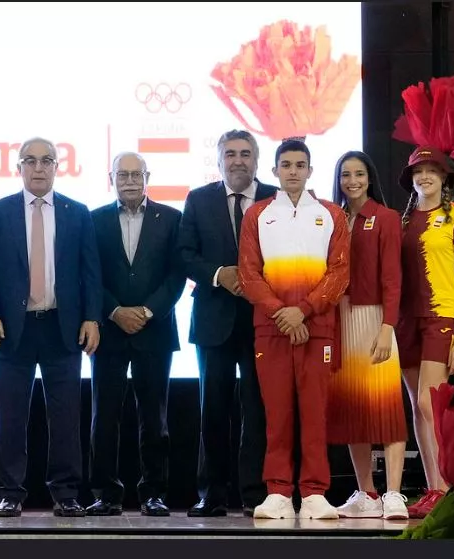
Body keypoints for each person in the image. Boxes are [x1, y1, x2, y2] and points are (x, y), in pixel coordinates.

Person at [0, 137, 101, 518]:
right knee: (10, 416)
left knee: (65, 417)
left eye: (47, 161)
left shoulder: (77, 213)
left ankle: (65, 493)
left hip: (62, 328)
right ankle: (11, 491)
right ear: (19, 167)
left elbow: (90, 272)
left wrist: (92, 318)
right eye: (31, 161)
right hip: (12, 329)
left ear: (58, 166)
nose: (39, 167)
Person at [237, 139, 350, 520]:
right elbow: (249, 275)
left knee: (315, 412)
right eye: (286, 165)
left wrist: (302, 311)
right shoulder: (257, 214)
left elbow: (339, 273)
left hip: (316, 327)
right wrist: (282, 313)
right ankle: (279, 491)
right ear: (274, 172)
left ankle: (315, 491)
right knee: (277, 413)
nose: (293, 171)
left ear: (310, 170)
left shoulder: (332, 214)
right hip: (271, 330)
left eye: (300, 165)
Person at [178, 130, 276, 516]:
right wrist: (220, 273)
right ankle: (212, 494)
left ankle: (255, 495)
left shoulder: (276, 198)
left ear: (256, 159)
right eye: (230, 154)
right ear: (218, 160)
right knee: (213, 409)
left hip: (262, 321)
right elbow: (185, 254)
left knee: (258, 410)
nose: (238, 160)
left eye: (245, 153)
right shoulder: (198, 200)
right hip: (214, 320)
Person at [86, 152, 183, 517]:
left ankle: (153, 492)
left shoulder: (172, 219)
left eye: (135, 174)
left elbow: (176, 275)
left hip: (154, 331)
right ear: (111, 177)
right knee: (104, 416)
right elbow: (89, 274)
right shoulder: (93, 221)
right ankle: (105, 494)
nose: (129, 180)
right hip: (108, 332)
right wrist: (113, 311)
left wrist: (145, 311)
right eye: (121, 174)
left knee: (154, 419)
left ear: (147, 177)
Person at [324, 151, 410, 520]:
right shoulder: (331, 217)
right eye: (346, 175)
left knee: (387, 408)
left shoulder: (386, 218)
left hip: (375, 318)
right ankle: (367, 493)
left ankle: (393, 492)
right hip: (340, 319)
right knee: (352, 409)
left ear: (370, 178)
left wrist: (387, 326)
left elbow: (393, 278)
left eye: (359, 173)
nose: (352, 181)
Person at [395, 147, 454, 519]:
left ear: (445, 178)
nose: (425, 176)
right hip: (406, 321)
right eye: (419, 171)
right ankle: (433, 487)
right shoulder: (402, 221)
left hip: (441, 315)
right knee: (417, 405)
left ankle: (448, 487)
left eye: (432, 171)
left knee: (432, 404)